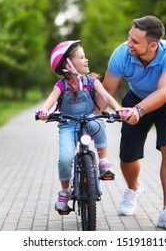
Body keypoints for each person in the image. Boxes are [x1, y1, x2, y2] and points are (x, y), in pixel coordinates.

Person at [96, 15, 166, 230]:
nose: (129, 44)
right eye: (129, 37)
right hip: (135, 99)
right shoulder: (121, 54)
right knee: (128, 156)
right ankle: (133, 188)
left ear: (153, 45)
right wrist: (91, 118)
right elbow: (105, 91)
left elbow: (165, 91)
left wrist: (139, 110)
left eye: (136, 41)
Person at [37, 40, 123, 213]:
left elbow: (106, 97)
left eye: (85, 57)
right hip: (68, 125)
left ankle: (103, 163)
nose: (86, 60)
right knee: (65, 159)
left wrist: (119, 110)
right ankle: (65, 191)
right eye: (81, 57)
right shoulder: (61, 86)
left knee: (98, 123)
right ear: (68, 66)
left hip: (88, 120)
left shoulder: (92, 82)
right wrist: (44, 111)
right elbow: (51, 100)